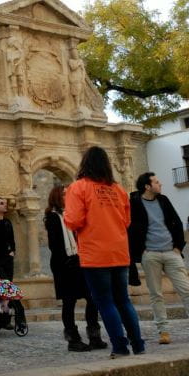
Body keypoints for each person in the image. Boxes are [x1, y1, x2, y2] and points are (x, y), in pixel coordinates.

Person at [63, 146, 144, 358]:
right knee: (123, 300)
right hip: (119, 251)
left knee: (105, 302)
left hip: (95, 254)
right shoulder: (117, 189)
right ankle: (138, 344)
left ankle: (119, 347)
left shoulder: (79, 187)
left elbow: (73, 220)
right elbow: (126, 221)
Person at [129, 173, 189, 345]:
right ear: (147, 186)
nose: (160, 184)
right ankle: (164, 331)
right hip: (150, 254)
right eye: (156, 181)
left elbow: (175, 221)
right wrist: (142, 251)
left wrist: (178, 247)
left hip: (171, 252)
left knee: (187, 291)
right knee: (156, 295)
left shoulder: (164, 200)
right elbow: (131, 228)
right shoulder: (135, 203)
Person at [43, 185, 107, 352]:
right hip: (64, 264)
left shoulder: (75, 214)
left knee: (92, 298)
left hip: (81, 261)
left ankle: (94, 335)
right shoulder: (52, 217)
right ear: (57, 197)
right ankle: (73, 339)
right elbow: (54, 244)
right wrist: (67, 261)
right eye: (64, 194)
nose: (68, 196)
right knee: (69, 302)